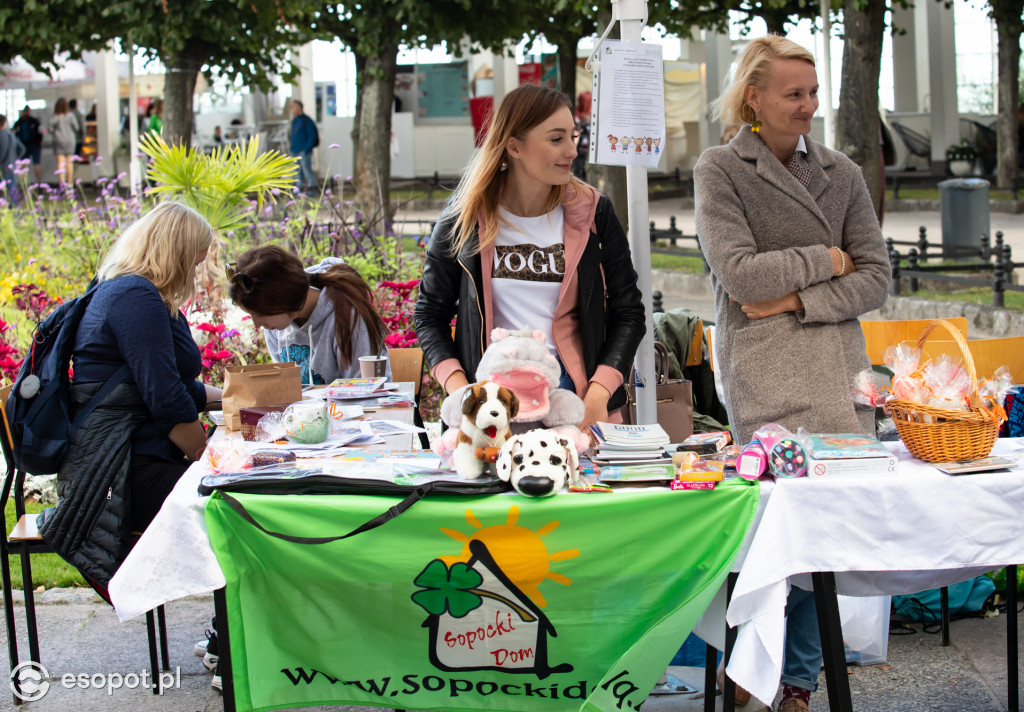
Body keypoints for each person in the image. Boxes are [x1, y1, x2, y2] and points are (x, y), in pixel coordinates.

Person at [694, 36, 890, 712]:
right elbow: (739, 275)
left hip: (838, 369)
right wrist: (829, 260)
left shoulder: (844, 172)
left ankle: (799, 685)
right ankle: (748, 668)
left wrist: (797, 297)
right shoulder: (721, 168)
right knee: (771, 528)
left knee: (825, 532)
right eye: (793, 94)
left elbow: (878, 277)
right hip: (766, 369)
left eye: (812, 94)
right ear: (755, 96)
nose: (808, 106)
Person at [413, 83, 645, 432]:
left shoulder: (594, 212)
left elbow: (629, 311)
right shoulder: (465, 215)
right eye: (556, 139)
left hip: (573, 402)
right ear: (514, 146)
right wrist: (462, 393)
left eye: (573, 136)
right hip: (489, 405)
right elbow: (430, 314)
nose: (571, 150)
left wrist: (598, 395)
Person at [38, 202, 221, 593]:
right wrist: (210, 459)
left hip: (128, 459)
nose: (194, 272)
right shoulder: (135, 296)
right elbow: (166, 398)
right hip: (120, 473)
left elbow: (152, 385)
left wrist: (230, 397)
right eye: (193, 262)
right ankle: (229, 638)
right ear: (176, 253)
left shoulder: (130, 290)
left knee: (245, 495)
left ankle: (232, 635)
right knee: (238, 508)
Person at [227, 245, 389, 385]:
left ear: (286, 301)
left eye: (260, 315)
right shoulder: (276, 326)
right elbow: (286, 390)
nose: (257, 324)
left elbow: (366, 392)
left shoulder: (347, 317)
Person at [289, 99, 318, 195]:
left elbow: (312, 136)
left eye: (293, 107)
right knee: (297, 173)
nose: (291, 109)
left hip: (304, 152)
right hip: (294, 151)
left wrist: (306, 149)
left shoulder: (307, 120)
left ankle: (311, 192)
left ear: (299, 108)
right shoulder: (294, 121)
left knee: (307, 171)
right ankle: (300, 193)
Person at [50, 98, 80, 185]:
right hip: (70, 141)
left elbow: (50, 128)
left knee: (60, 162)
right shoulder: (70, 116)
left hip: (59, 141)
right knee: (69, 163)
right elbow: (76, 127)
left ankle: (62, 184)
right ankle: (70, 184)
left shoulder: (55, 117)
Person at [13, 106, 42, 184]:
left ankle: (23, 183)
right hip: (34, 145)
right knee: (36, 164)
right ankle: (39, 182)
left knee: (23, 165)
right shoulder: (34, 121)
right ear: (29, 111)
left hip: (24, 145)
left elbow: (14, 133)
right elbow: (40, 133)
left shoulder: (19, 122)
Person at [0, 115, 26, 204]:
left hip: (2, 167)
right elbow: (22, 149)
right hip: (11, 166)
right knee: (12, 190)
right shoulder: (11, 135)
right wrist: (15, 158)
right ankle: (15, 212)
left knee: (4, 193)